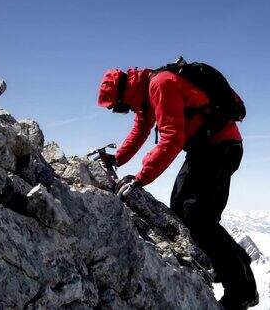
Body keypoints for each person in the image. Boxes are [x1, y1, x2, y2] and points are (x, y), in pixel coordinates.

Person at [97, 66, 258, 309]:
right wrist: (117, 159)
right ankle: (238, 264)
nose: (122, 111)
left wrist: (140, 178)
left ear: (123, 93)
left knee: (197, 215)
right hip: (207, 148)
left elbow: (172, 138)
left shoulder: (160, 85)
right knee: (182, 210)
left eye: (118, 106)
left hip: (220, 147)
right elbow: (140, 131)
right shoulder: (144, 95)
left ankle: (241, 291)